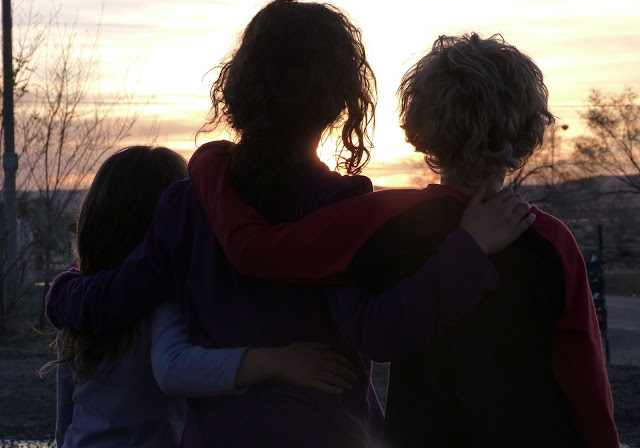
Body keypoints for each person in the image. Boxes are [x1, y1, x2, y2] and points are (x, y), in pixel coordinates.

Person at [45, 0, 532, 448]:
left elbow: (111, 299)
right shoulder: (342, 207)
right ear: (341, 103)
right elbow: (380, 331)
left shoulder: (184, 205)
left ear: (238, 86)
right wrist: (467, 251)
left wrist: (60, 291)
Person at [187, 34, 618, 448]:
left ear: (423, 121)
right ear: (528, 127)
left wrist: (207, 162)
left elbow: (255, 251)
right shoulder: (550, 240)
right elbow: (585, 383)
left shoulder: (376, 220)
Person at [46, 145, 357, 448]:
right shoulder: (162, 300)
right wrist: (279, 361)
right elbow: (173, 369)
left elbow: (65, 419)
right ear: (175, 222)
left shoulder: (78, 306)